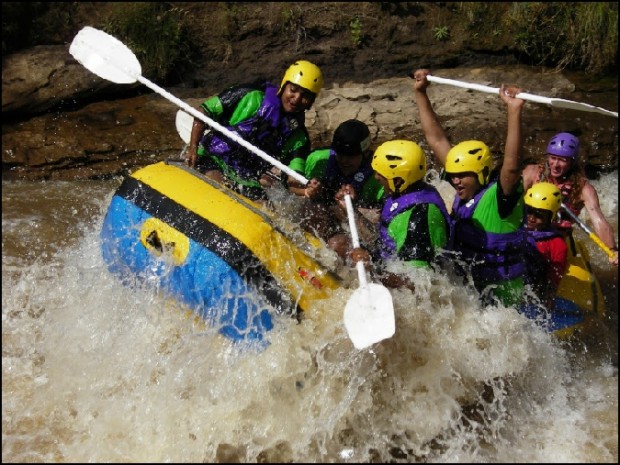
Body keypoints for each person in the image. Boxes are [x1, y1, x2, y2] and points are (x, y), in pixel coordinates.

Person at [411, 68, 527, 307]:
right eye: (453, 176)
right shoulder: (463, 192)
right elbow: (437, 140)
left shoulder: (500, 198)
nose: (456, 181)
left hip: (502, 300)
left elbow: (512, 167)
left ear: (482, 173)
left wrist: (514, 110)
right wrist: (421, 93)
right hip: (470, 290)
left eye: (464, 176)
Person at [186, 60, 323, 201]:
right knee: (219, 192)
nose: (297, 98)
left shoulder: (299, 138)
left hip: (248, 178)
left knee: (267, 212)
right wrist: (193, 147)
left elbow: (292, 181)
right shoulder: (251, 95)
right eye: (293, 90)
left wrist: (306, 189)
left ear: (311, 101)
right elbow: (203, 112)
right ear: (284, 85)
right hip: (214, 157)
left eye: (305, 95)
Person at [348, 139, 451, 290]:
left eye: (380, 174)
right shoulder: (406, 191)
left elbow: (418, 286)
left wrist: (371, 268)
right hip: (390, 263)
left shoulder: (418, 219)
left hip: (410, 285)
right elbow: (387, 237)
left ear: (398, 180)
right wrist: (349, 209)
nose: (376, 177)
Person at [289, 119, 384, 258]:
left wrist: (349, 210)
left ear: (365, 154)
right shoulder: (318, 159)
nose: (344, 160)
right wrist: (306, 191)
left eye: (351, 156)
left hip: (352, 225)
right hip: (321, 215)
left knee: (338, 244)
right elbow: (290, 187)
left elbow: (375, 239)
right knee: (311, 211)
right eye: (340, 154)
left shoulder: (378, 178)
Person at [522, 132, 618, 266]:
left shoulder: (584, 189)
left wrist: (612, 250)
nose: (555, 165)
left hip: (556, 239)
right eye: (553, 158)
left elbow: (599, 222)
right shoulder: (532, 173)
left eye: (562, 160)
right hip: (527, 230)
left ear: (572, 161)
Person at [522, 182, 568, 309]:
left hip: (533, 284)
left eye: (539, 214)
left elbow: (555, 273)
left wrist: (549, 294)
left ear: (551, 217)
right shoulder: (516, 227)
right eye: (529, 211)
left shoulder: (557, 244)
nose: (531, 218)